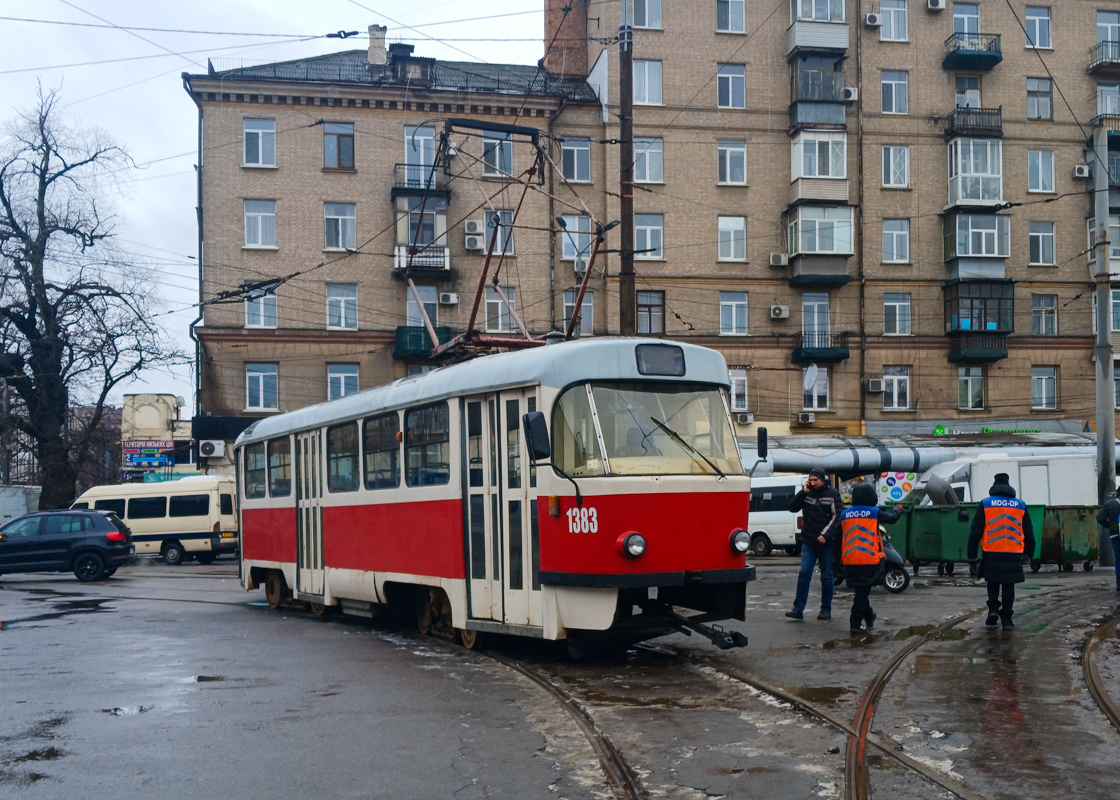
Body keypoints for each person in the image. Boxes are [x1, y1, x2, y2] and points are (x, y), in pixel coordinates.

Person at [968, 473, 1035, 631]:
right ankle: (1007, 619)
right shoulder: (1020, 505)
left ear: (994, 485)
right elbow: (1028, 531)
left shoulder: (986, 504)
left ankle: (993, 610)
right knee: (1008, 585)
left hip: (992, 551)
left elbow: (975, 531)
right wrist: (1029, 554)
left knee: (992, 582)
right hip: (1013, 552)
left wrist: (972, 555)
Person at [841, 483, 903, 634]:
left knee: (861, 591)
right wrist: (898, 509)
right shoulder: (874, 512)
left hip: (849, 559)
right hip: (869, 558)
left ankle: (869, 616)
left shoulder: (844, 514)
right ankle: (855, 623)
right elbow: (892, 518)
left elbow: (838, 537)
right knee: (862, 593)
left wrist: (836, 560)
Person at [785, 467, 843, 621]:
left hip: (826, 543)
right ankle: (798, 608)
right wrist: (803, 492)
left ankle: (825, 609)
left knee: (827, 576)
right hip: (808, 541)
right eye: (810, 480)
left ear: (823, 480)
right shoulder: (807, 493)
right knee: (804, 573)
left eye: (815, 480)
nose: (812, 483)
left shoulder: (833, 494)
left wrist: (825, 535)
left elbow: (837, 516)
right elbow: (792, 507)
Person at [1095, 496, 1120, 591]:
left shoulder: (1109, 504)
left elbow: (1100, 518)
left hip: (1115, 534)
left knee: (1118, 558)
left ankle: (1119, 583)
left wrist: (1111, 525)